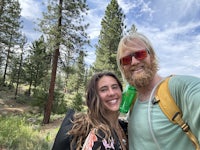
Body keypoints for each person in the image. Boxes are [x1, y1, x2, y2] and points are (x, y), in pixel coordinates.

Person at [116, 32, 200, 150]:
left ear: (152, 56)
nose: (134, 62)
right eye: (126, 60)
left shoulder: (179, 87)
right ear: (122, 68)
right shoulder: (132, 100)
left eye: (140, 54)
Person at [52, 71, 128, 150]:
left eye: (115, 87)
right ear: (94, 97)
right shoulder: (99, 136)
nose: (111, 93)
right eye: (104, 90)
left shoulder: (123, 127)